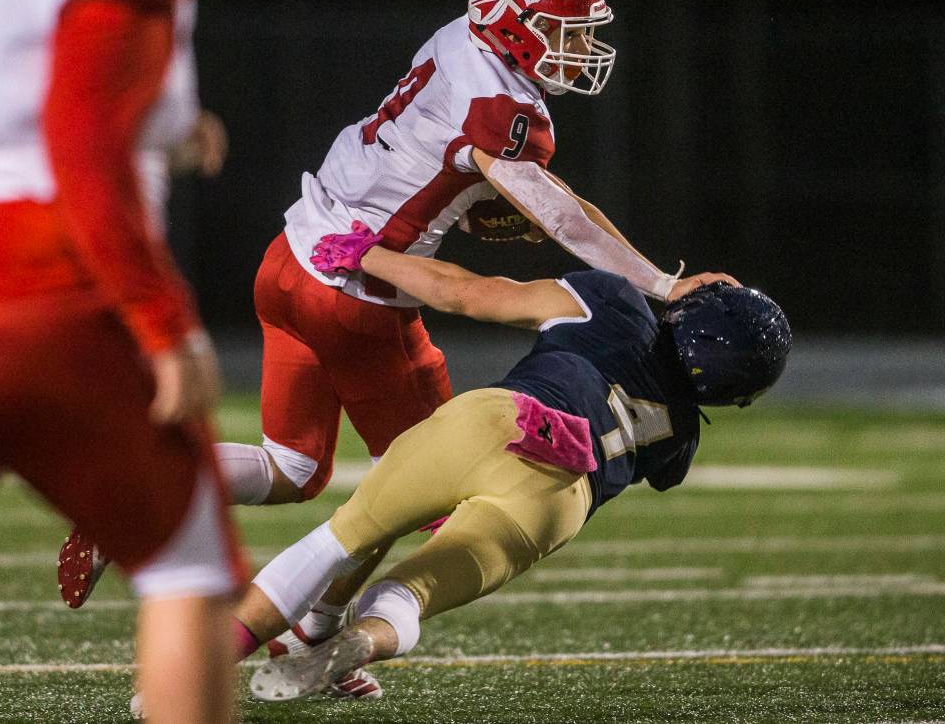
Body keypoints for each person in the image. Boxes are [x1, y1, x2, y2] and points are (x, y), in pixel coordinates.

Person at [62, 0, 737, 700]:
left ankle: (131, 489)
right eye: (565, 27)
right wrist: (658, 283)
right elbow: (558, 214)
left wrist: (477, 200)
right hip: (358, 294)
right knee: (418, 494)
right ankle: (315, 641)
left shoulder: (463, 39)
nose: (579, 47)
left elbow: (460, 167)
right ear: (510, 19)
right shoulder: (505, 107)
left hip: (292, 255)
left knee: (295, 471)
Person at [239, 224, 791, 701]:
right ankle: (360, 643)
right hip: (557, 502)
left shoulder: (615, 301)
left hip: (499, 424)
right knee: (404, 597)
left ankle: (191, 671)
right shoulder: (680, 444)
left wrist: (366, 255)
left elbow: (467, 294)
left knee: (337, 542)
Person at [0, 0, 245, 722]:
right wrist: (163, 324)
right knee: (191, 570)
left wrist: (169, 125)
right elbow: (82, 142)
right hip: (40, 285)